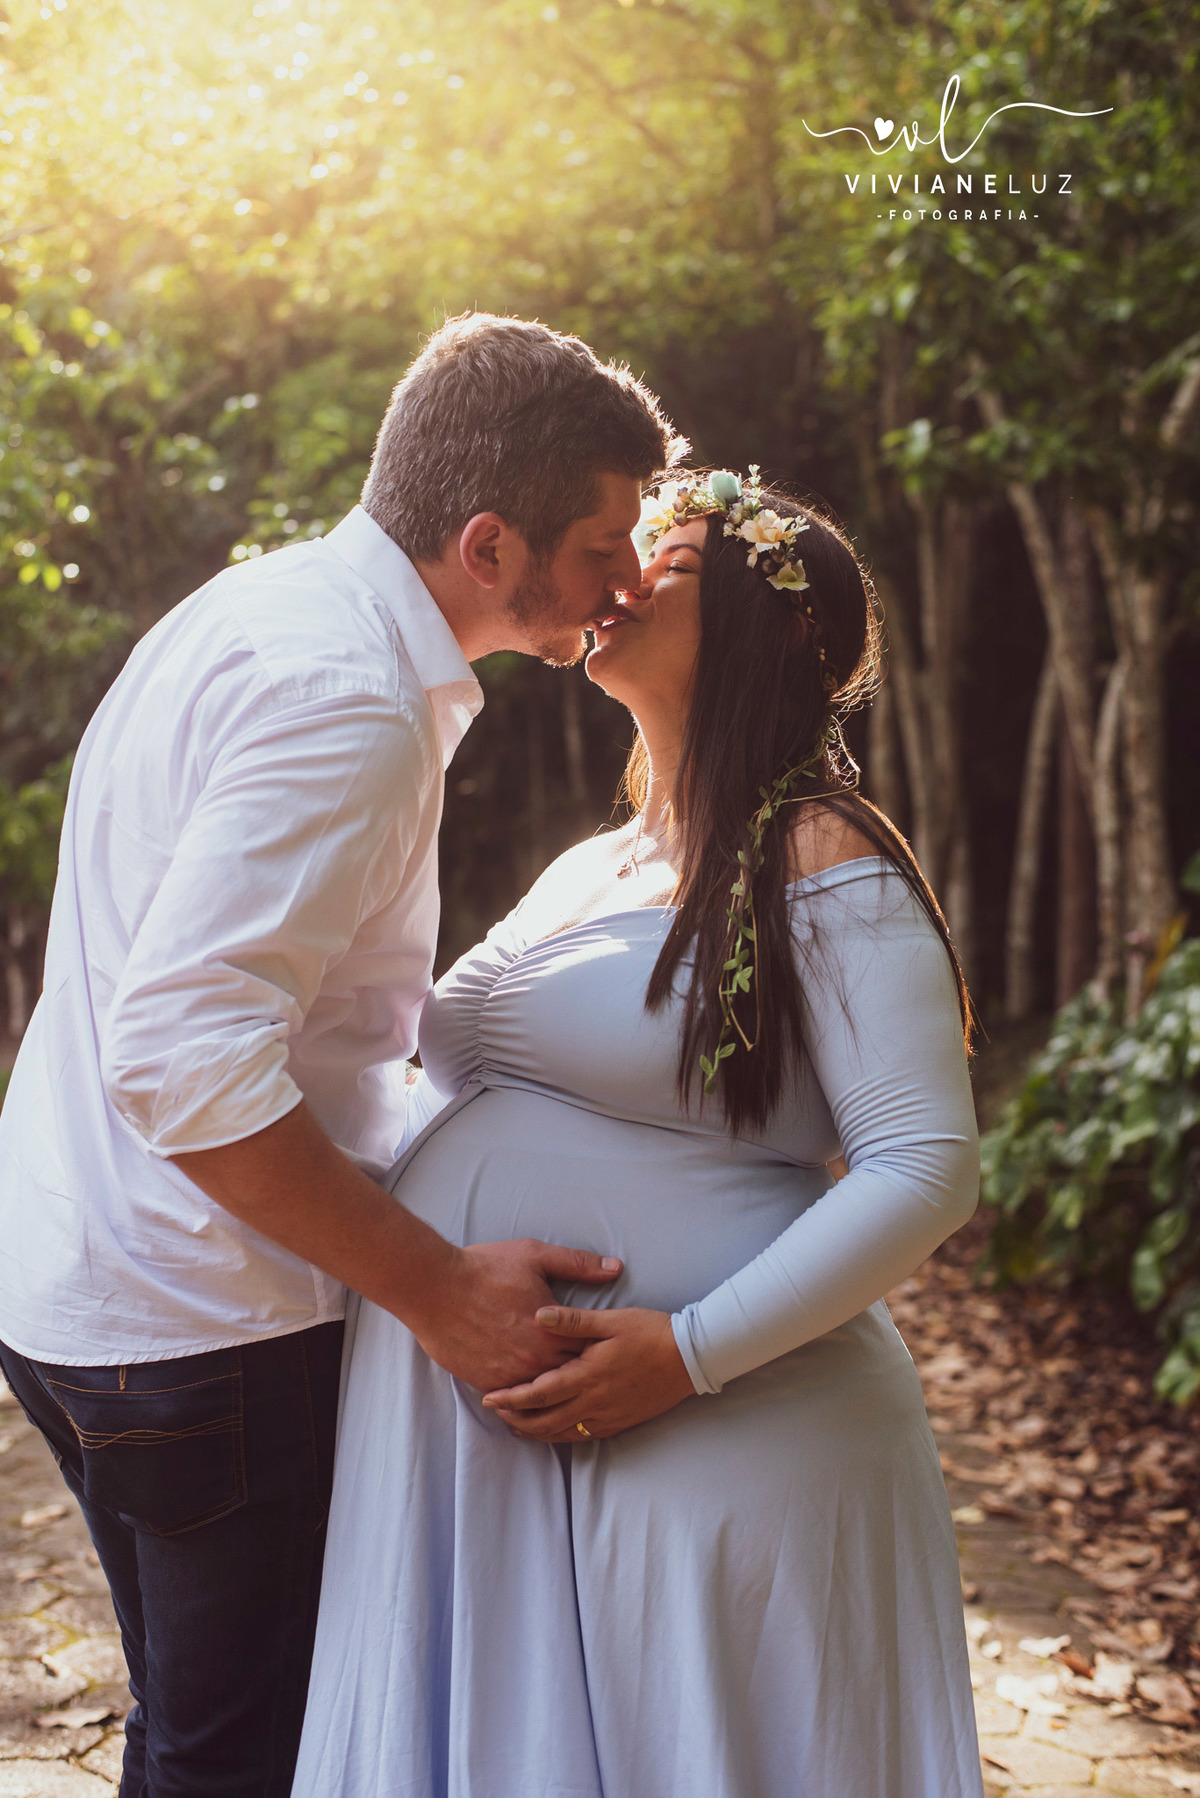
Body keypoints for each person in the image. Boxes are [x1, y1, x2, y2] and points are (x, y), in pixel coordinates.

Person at [0, 312, 682, 1797]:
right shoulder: (348, 699)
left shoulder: (273, 614)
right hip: (202, 1328)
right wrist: (441, 1292)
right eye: (601, 545)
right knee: (244, 1754)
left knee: (200, 1728)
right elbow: (183, 1055)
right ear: (489, 543)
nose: (624, 584)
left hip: (99, 1282)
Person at [291, 469, 985, 1798]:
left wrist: (688, 1351)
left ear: (770, 626)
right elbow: (427, 1051)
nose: (609, 584)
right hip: (513, 1445)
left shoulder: (823, 848)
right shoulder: (599, 858)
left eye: (658, 562)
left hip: (717, 1431)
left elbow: (925, 1165)